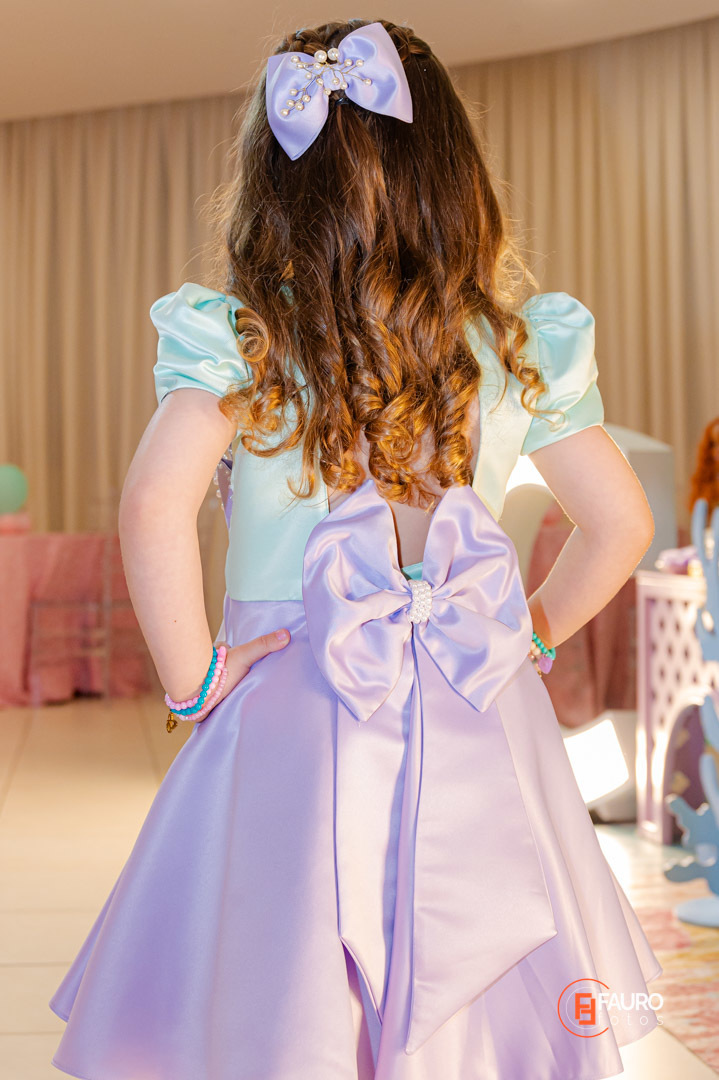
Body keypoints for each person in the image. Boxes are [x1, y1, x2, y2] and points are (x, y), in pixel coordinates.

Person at [49, 18, 662, 1080]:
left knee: (285, 971)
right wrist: (532, 629)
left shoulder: (246, 341)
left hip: (291, 703)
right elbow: (621, 524)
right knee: (489, 947)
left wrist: (195, 681)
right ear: (453, 180)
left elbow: (152, 506)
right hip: (478, 699)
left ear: (274, 189)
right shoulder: (509, 348)